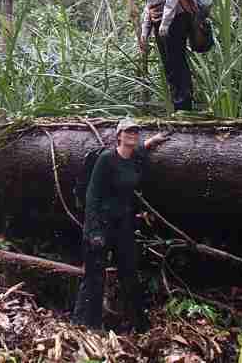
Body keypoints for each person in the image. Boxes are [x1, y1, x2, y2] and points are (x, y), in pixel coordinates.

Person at [72, 117, 169, 332]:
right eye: (128, 132)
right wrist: (93, 231)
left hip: (123, 225)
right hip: (102, 224)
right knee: (94, 274)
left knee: (129, 271)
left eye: (135, 132)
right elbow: (92, 196)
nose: (132, 135)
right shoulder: (106, 159)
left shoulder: (134, 157)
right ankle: (85, 324)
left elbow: (143, 148)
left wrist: (156, 139)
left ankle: (138, 326)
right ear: (119, 135)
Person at [138, 0, 194, 112]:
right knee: (169, 65)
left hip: (175, 19)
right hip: (158, 21)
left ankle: (185, 109)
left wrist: (166, 22)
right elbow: (149, 3)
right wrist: (144, 31)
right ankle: (178, 107)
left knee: (177, 62)